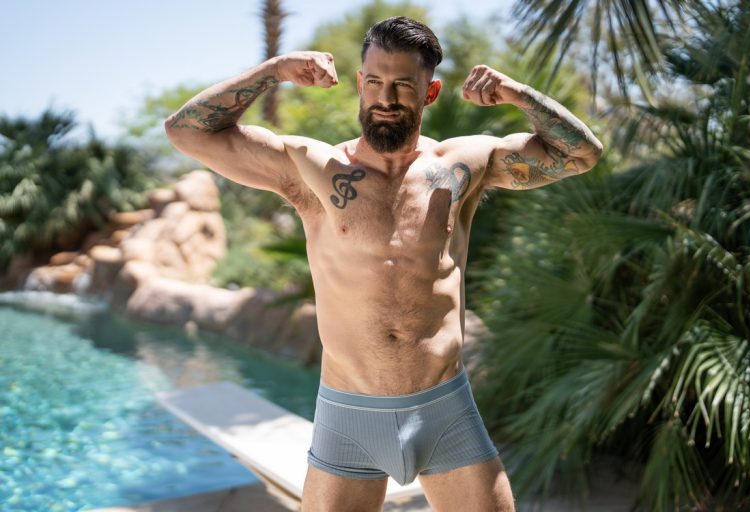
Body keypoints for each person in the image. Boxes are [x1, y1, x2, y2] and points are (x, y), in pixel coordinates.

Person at [165, 16, 602, 512]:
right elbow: (186, 131)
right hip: (348, 417)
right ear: (360, 83)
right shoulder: (312, 168)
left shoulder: (463, 165)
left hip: (444, 410)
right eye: (374, 81)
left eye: (402, 85)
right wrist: (274, 70)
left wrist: (516, 94)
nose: (386, 98)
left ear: (430, 92)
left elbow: (581, 154)